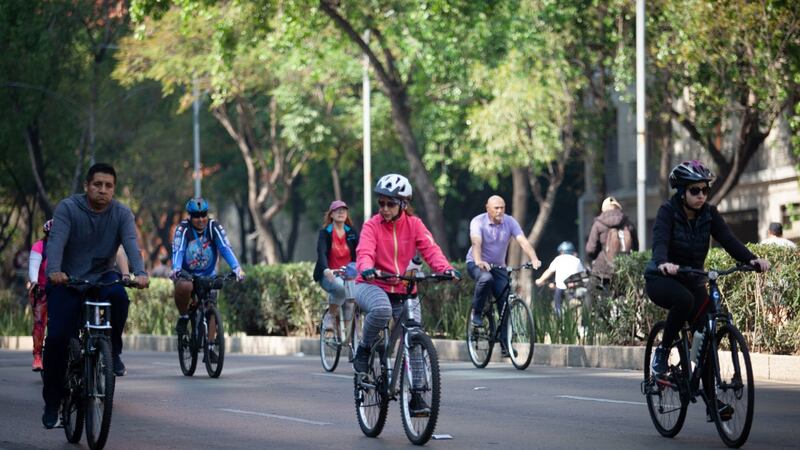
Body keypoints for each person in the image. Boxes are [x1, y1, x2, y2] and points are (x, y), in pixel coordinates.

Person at [644, 160, 769, 420]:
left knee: (707, 331)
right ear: (682, 192)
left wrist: (751, 259)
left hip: (692, 277)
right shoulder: (668, 212)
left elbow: (729, 240)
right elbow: (659, 242)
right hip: (662, 278)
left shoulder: (709, 214)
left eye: (705, 190)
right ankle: (662, 353)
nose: (701, 195)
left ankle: (713, 404)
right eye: (695, 190)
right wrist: (664, 263)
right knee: (684, 301)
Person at [43, 163, 149, 428]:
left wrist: (140, 273)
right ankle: (53, 401)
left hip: (103, 277)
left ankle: (112, 350)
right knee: (57, 339)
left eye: (108, 186)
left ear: (114, 189)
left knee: (120, 297)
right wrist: (54, 271)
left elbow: (131, 243)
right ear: (87, 186)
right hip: (67, 279)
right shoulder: (68, 208)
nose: (103, 190)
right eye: (97, 184)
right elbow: (56, 242)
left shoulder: (121, 213)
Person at [353, 174, 460, 414]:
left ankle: (418, 396)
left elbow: (431, 250)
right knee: (382, 310)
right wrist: (367, 268)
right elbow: (365, 251)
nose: (384, 208)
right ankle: (365, 349)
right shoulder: (372, 225)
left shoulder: (415, 225)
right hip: (372, 284)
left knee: (415, 336)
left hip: (403, 287)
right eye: (381, 203)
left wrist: (446, 269)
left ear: (403, 204)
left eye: (390, 204)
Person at [466, 195, 542, 355]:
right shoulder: (478, 221)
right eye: (496, 208)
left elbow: (523, 241)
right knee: (486, 278)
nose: (500, 211)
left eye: (502, 207)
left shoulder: (510, 222)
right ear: (488, 208)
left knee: (505, 301)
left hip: (498, 266)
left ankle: (505, 344)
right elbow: (476, 242)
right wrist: (479, 261)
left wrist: (534, 258)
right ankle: (477, 314)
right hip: (476, 263)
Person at [171, 198, 244, 355]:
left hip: (208, 275)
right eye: (196, 216)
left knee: (211, 305)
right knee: (185, 286)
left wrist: (237, 268)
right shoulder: (183, 229)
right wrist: (176, 268)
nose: (201, 219)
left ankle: (210, 347)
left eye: (203, 215)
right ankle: (183, 317)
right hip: (186, 274)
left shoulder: (213, 227)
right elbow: (179, 250)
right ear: (190, 216)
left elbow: (225, 248)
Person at [313, 200, 359, 332]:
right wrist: (326, 269)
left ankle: (350, 335)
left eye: (344, 210)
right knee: (340, 288)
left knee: (354, 300)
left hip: (349, 274)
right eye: (337, 210)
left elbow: (360, 251)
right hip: (330, 274)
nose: (341, 212)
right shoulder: (325, 232)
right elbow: (321, 252)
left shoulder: (351, 232)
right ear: (331, 214)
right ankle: (330, 315)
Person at [585, 196, 639, 282]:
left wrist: (594, 258)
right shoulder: (628, 223)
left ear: (603, 209)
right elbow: (636, 247)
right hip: (625, 269)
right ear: (618, 208)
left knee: (591, 288)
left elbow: (591, 249)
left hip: (603, 271)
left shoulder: (598, 224)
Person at [26, 220, 52, 372]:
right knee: (40, 322)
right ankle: (37, 356)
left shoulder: (68, 247)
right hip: (42, 289)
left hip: (60, 289)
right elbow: (33, 267)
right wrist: (34, 282)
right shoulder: (40, 246)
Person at [535, 241, 585, 316]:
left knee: (557, 308)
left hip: (560, 288)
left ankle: (558, 317)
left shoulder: (558, 259)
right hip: (573, 289)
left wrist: (540, 280)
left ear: (562, 251)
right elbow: (582, 274)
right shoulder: (577, 260)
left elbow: (549, 271)